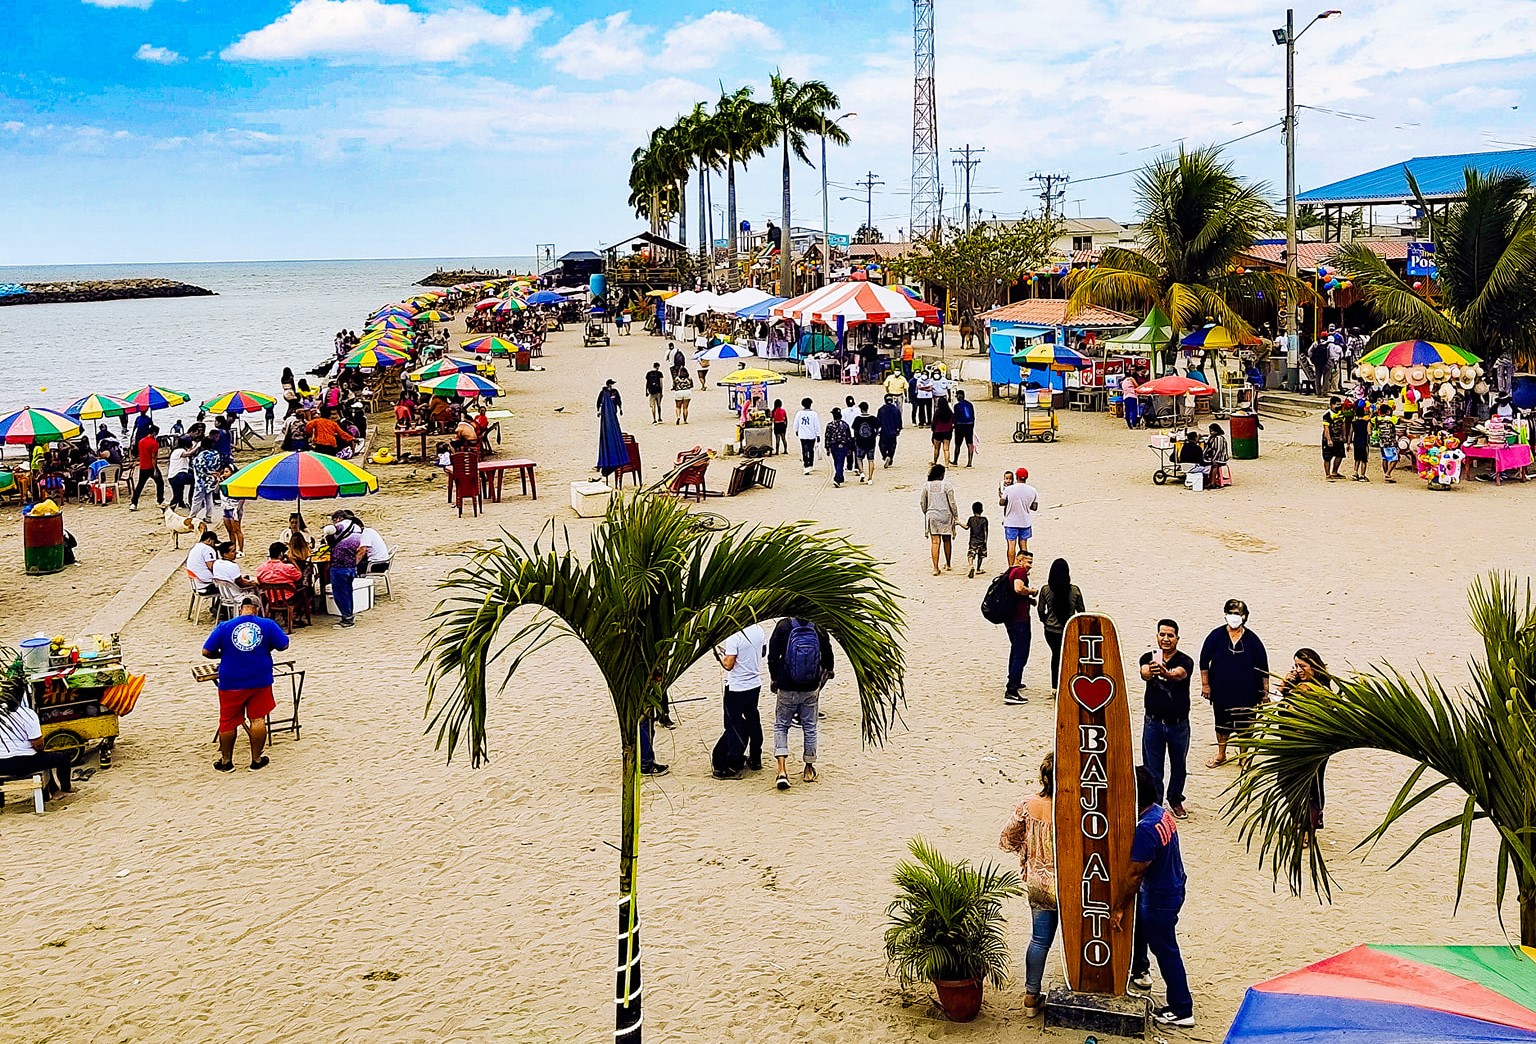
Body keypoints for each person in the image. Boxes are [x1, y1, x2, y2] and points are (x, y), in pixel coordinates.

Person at [1113, 766, 1194, 1029]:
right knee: (1144, 933)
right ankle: (1140, 969)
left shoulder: (1145, 830)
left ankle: (1182, 1009)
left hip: (1159, 898)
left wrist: (1118, 907)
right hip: (1173, 886)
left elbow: (1134, 875)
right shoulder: (1161, 814)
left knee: (1166, 950)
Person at [998, 753, 1058, 1018]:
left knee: (1039, 940)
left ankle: (1031, 996)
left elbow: (1008, 838)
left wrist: (1030, 849)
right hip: (1070, 885)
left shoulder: (1027, 805)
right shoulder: (1075, 810)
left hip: (1038, 883)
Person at [202, 596, 289, 772]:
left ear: (240, 608)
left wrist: (223, 655)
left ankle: (226, 761)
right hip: (259, 678)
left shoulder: (225, 626)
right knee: (257, 718)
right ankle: (256, 760)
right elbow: (283, 645)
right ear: (258, 608)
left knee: (227, 721)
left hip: (230, 680)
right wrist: (266, 647)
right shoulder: (267, 624)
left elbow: (206, 651)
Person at [1199, 598, 1269, 768]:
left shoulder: (1253, 640)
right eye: (1230, 613)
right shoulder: (1215, 636)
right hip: (1221, 691)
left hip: (1247, 692)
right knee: (1221, 724)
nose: (1233, 617)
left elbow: (1263, 667)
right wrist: (1205, 685)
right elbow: (1203, 661)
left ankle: (1243, 757)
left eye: (1237, 614)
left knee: (1245, 726)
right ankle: (1221, 754)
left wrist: (1265, 692)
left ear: (1244, 616)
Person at [767, 616, 834, 790]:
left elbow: (772, 657)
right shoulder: (818, 626)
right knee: (810, 726)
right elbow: (828, 657)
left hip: (786, 685)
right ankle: (809, 769)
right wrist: (822, 676)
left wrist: (775, 678)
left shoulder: (783, 626)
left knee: (781, 726)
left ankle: (782, 770)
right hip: (810, 686)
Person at [1140, 620, 1195, 819]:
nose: (1166, 639)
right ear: (1157, 636)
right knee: (1152, 766)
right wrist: (1151, 670)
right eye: (1162, 634)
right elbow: (1144, 672)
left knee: (1179, 765)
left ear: (1177, 638)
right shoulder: (1148, 658)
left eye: (1170, 635)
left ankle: (1175, 799)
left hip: (1178, 724)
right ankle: (1155, 803)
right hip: (1153, 722)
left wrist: (1166, 673)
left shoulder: (1185, 660)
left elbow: (1179, 674)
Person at [1279, 648, 1330, 831]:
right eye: (1296, 666)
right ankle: (1300, 821)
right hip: (1289, 744)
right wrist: (1286, 683)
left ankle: (1308, 828)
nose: (1298, 670)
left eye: (1302, 666)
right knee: (1285, 782)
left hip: (1309, 747)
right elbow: (1277, 700)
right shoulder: (1297, 684)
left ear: (1313, 667)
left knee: (1310, 789)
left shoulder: (1319, 690)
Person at [710, 622, 767, 779]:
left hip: (737, 687)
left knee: (733, 725)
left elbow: (729, 665)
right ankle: (756, 757)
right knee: (752, 719)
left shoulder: (735, 636)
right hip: (754, 684)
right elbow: (762, 652)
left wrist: (721, 657)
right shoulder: (758, 630)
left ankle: (731, 763)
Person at [0, 692, 74, 799]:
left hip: (2, 765)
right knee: (62, 757)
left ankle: (54, 791)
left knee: (43, 757)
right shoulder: (26, 713)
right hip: (24, 763)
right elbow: (38, 743)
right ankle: (65, 788)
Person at [1037, 558, 1085, 687]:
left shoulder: (1045, 589)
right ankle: (1069, 683)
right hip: (1069, 628)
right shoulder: (1075, 590)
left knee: (1056, 656)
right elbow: (1081, 612)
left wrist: (1045, 620)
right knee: (1070, 656)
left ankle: (1055, 686)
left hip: (1051, 630)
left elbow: (1041, 610)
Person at [1003, 551, 1036, 705]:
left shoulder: (1010, 571)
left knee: (1015, 649)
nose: (1029, 566)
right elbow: (1018, 588)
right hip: (1019, 619)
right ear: (1019, 560)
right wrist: (1031, 591)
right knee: (1021, 652)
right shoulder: (1020, 571)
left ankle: (1014, 679)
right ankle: (1012, 690)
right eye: (1028, 562)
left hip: (1010, 617)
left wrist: (1028, 600)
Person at [919, 463, 958, 575]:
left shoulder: (927, 485)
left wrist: (926, 512)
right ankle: (948, 563)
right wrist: (955, 516)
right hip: (946, 515)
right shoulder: (947, 486)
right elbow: (952, 503)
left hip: (932, 515)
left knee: (935, 542)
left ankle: (935, 568)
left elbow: (922, 502)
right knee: (947, 540)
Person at [327, 521, 365, 627]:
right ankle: (348, 615)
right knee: (347, 592)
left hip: (339, 567)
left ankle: (347, 618)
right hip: (350, 567)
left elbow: (328, 530)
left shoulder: (340, 526)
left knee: (340, 594)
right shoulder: (356, 530)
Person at [999, 466, 1039, 566]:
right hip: (1025, 521)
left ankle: (1011, 567)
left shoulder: (1009, 489)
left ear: (1016, 477)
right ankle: (1024, 566)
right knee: (1023, 545)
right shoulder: (1032, 490)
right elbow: (1034, 507)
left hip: (1011, 521)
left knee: (1011, 545)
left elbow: (1001, 503)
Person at [129, 424, 164, 511]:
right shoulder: (154, 443)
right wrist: (155, 468)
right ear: (154, 433)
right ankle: (160, 500)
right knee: (160, 482)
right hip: (151, 467)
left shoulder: (141, 441)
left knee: (140, 485)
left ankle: (134, 502)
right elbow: (153, 457)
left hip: (143, 466)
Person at [824, 407, 854, 487]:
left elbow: (827, 437)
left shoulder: (830, 425)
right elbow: (849, 437)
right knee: (840, 462)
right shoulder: (845, 425)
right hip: (843, 446)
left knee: (837, 461)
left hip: (834, 446)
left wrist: (827, 448)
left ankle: (837, 478)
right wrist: (850, 448)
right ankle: (840, 476)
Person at [793, 397, 821, 475]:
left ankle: (806, 464)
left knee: (804, 450)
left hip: (803, 434)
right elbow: (817, 425)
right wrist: (818, 434)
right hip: (811, 434)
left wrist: (796, 430)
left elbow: (796, 423)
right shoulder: (814, 414)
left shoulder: (799, 413)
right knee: (811, 449)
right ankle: (810, 464)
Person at [960, 501, 988, 578]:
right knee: (980, 555)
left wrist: (958, 523)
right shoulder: (984, 520)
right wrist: (985, 540)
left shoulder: (971, 519)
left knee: (970, 554)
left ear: (972, 510)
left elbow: (966, 527)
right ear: (982, 510)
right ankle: (978, 569)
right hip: (982, 540)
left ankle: (971, 565)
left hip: (973, 541)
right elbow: (985, 531)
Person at [1321, 395, 1346, 480]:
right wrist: (1328, 439)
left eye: (1340, 404)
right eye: (1337, 404)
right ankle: (1328, 474)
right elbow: (1326, 428)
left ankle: (1335, 472)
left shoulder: (1341, 413)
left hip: (1338, 437)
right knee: (1327, 457)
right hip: (1329, 437)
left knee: (1340, 454)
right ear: (1332, 405)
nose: (1339, 406)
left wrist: (1344, 435)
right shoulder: (1327, 414)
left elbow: (1343, 424)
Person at [1375, 402, 1400, 483]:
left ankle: (1386, 474)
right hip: (1390, 442)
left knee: (1384, 458)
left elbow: (1369, 422)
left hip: (1382, 442)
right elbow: (1399, 420)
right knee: (1395, 459)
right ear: (1388, 411)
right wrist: (1411, 421)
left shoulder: (1377, 419)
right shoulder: (1390, 418)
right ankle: (1388, 474)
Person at [166, 437, 193, 511]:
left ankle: (179, 504)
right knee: (195, 480)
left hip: (173, 476)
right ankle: (191, 500)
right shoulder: (180, 451)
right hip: (178, 475)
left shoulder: (176, 451)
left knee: (178, 493)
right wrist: (198, 446)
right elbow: (189, 453)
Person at [951, 389, 976, 467]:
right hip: (969, 425)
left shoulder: (956, 406)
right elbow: (973, 416)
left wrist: (954, 425)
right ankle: (969, 462)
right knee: (969, 444)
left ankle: (955, 460)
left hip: (960, 425)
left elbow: (955, 417)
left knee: (958, 444)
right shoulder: (970, 404)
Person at [877, 394, 903, 468]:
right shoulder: (896, 410)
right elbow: (899, 421)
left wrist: (877, 429)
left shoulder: (881, 410)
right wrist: (899, 429)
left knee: (882, 445)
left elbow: (878, 421)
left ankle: (885, 456)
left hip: (884, 431)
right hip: (893, 431)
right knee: (892, 446)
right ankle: (890, 457)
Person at [1201, 422, 1230, 488]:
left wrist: (1214, 459)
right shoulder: (1211, 438)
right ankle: (1208, 481)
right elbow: (1207, 448)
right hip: (1213, 457)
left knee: (1214, 465)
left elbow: (1219, 450)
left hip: (1220, 458)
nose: (1211, 433)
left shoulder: (1219, 438)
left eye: (1212, 431)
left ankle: (1212, 483)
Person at [930, 395, 955, 464]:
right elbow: (953, 420)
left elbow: (934, 422)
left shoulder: (937, 412)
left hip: (938, 431)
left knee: (936, 448)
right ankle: (946, 464)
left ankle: (935, 461)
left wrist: (933, 429)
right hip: (947, 431)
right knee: (946, 449)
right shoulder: (949, 412)